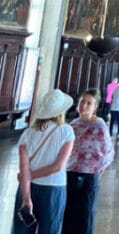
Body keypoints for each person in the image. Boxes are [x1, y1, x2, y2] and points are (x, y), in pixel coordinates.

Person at [13, 88, 75, 234]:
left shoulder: (27, 134)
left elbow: (24, 167)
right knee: (51, 229)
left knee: (22, 229)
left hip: (27, 188)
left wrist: (26, 191)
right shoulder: (67, 131)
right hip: (54, 188)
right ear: (61, 111)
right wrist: (28, 176)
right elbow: (57, 166)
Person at [62, 88, 114, 234]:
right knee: (68, 215)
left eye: (89, 103)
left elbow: (108, 153)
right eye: (82, 102)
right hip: (70, 174)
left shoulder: (100, 125)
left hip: (89, 177)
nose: (84, 106)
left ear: (95, 107)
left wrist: (96, 170)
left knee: (85, 217)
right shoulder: (73, 125)